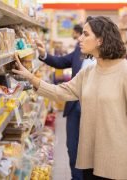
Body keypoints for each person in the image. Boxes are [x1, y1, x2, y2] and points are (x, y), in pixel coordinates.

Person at [13, 16, 127, 180]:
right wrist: (30, 78)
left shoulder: (126, 72)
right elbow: (61, 91)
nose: (80, 38)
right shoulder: (89, 72)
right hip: (91, 156)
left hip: (118, 160)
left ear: (100, 40)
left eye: (86, 34)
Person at [35, 24, 95, 180]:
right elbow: (61, 62)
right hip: (75, 107)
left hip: (96, 112)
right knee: (72, 148)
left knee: (93, 151)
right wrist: (44, 54)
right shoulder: (80, 51)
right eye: (82, 34)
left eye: (86, 34)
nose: (80, 38)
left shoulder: (109, 60)